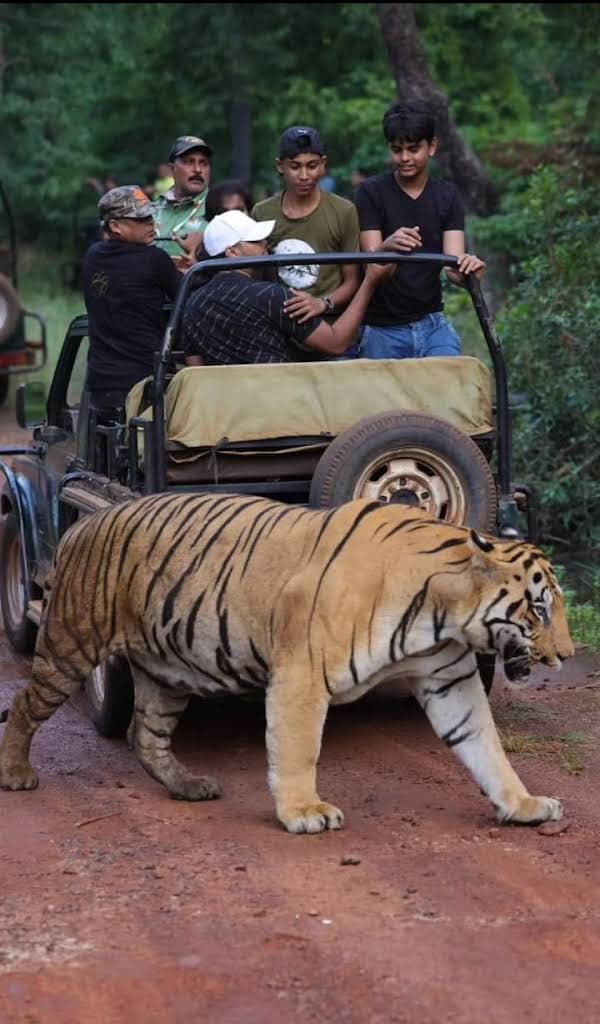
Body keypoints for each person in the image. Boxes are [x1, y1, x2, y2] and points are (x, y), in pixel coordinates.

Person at [354, 100, 485, 360]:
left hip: (431, 323)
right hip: (383, 328)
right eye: (397, 149)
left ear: (432, 146)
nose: (404, 158)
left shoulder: (447, 196)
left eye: (414, 149)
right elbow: (372, 265)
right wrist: (388, 246)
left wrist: (470, 270)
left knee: (449, 387)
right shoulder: (371, 192)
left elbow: (453, 268)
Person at [182, 210, 391, 366]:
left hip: (225, 417)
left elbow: (198, 374)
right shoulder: (271, 296)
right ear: (233, 252)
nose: (265, 244)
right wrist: (369, 281)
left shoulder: (191, 305)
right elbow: (336, 343)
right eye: (255, 240)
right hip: (279, 411)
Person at [82, 186, 182, 421]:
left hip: (101, 382)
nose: (152, 225)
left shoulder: (93, 256)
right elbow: (188, 300)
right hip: (145, 381)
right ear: (115, 226)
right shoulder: (154, 259)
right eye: (142, 219)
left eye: (151, 217)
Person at [251, 126, 360, 329]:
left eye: (312, 166)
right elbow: (256, 276)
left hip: (332, 327)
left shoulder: (344, 211)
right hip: (281, 328)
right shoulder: (262, 212)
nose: (304, 175)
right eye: (295, 166)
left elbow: (352, 280)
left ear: (323, 165)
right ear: (280, 166)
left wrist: (322, 303)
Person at [153, 135, 212, 263]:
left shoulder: (218, 208)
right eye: (189, 162)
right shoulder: (152, 209)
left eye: (204, 163)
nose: (197, 170)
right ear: (172, 169)